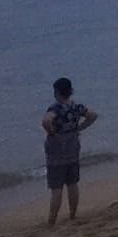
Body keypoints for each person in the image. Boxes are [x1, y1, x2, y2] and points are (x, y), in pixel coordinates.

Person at [41, 77, 97, 227]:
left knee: (56, 187)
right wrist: (79, 128)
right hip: (72, 148)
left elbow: (46, 121)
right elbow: (93, 115)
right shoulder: (76, 107)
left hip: (56, 152)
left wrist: (52, 133)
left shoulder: (56, 108)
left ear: (57, 92)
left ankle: (52, 219)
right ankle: (72, 214)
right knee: (72, 183)